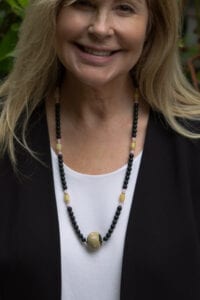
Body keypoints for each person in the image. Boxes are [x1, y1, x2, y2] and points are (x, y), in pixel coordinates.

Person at [0, 0, 200, 299]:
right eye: (83, 4)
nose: (100, 28)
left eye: (124, 8)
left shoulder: (192, 145)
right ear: (52, 15)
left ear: (152, 25)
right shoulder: (5, 134)